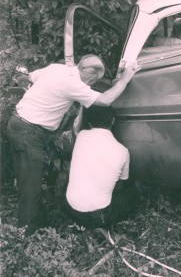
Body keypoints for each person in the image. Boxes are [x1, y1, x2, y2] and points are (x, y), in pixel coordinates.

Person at [7, 54, 136, 236]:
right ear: (90, 77)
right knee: (30, 187)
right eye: (91, 84)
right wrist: (126, 78)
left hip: (19, 123)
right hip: (30, 132)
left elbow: (31, 77)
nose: (88, 88)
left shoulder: (56, 68)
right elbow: (105, 100)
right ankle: (25, 237)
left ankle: (36, 222)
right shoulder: (73, 84)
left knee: (28, 178)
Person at [65, 105, 139, 229]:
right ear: (113, 120)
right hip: (98, 217)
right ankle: (101, 228)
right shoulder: (123, 151)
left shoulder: (82, 136)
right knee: (133, 194)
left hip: (70, 209)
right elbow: (121, 184)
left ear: (88, 121)